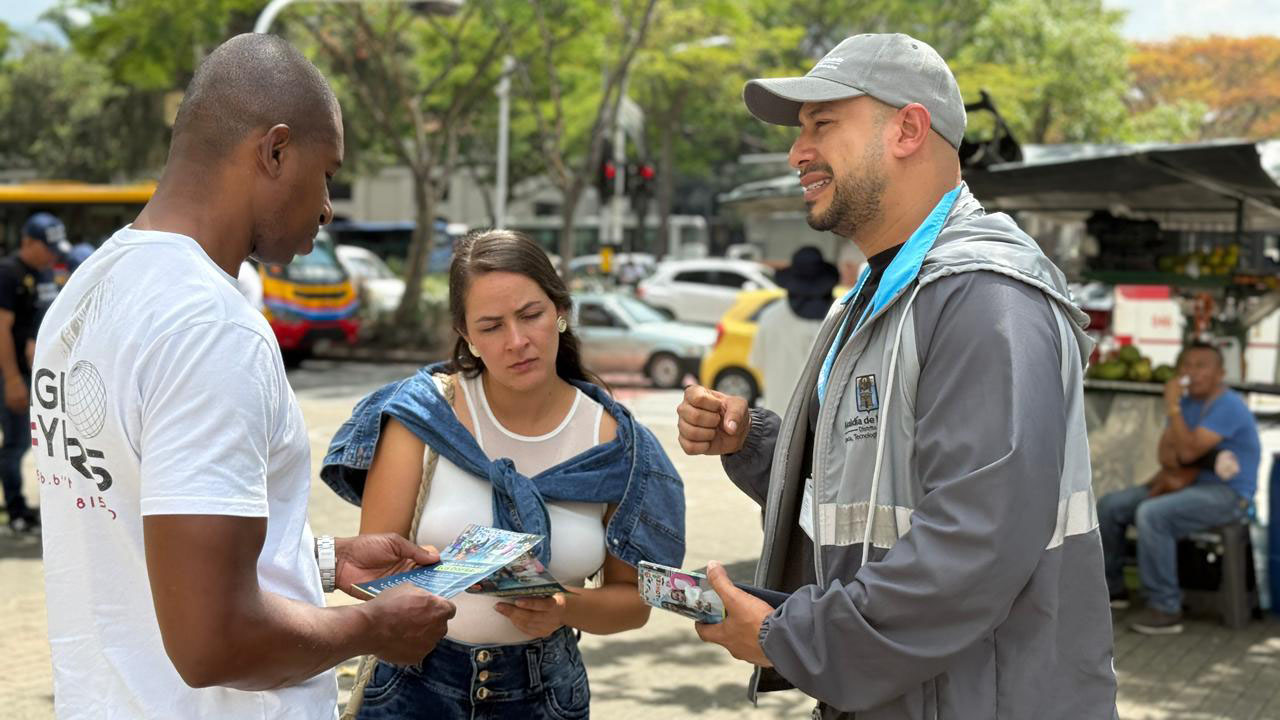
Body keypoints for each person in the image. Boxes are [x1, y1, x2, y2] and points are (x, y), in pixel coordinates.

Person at [674, 33, 1117, 719]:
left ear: (908, 129)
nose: (797, 153)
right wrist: (757, 444)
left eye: (822, 124)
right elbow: (870, 498)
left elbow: (973, 544)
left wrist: (788, 636)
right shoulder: (879, 298)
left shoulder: (984, 299)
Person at [35, 34, 454, 719]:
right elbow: (215, 644)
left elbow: (144, 533)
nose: (327, 206)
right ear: (276, 151)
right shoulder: (211, 327)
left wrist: (319, 562)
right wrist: (373, 629)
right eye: (327, 173)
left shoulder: (90, 290)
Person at [321, 229, 686, 719]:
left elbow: (633, 603)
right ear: (467, 335)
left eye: (531, 315)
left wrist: (562, 607)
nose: (517, 342)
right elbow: (375, 575)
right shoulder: (423, 415)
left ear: (561, 311)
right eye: (491, 326)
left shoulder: (617, 443)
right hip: (414, 685)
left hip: (545, 694)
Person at [1097, 341, 1259, 635]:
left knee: (1153, 513)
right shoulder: (1186, 404)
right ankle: (1112, 590)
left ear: (1220, 373)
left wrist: (1172, 407)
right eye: (1186, 366)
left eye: (1201, 366)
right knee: (1110, 506)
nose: (1192, 373)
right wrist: (1178, 418)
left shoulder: (1228, 406)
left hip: (1228, 495)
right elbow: (1167, 456)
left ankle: (1166, 607)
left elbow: (1185, 452)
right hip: (1184, 483)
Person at [0, 212, 70, 534]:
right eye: (47, 248)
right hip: (10, 372)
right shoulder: (8, 272)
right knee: (15, 444)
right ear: (27, 242)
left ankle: (22, 508)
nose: (52, 255)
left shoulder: (43, 273)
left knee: (30, 442)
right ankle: (16, 510)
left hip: (32, 373)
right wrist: (13, 379)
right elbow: (2, 327)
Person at [749, 246, 838, 416]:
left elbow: (758, 363)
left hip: (776, 417)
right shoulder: (839, 319)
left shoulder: (769, 317)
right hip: (822, 422)